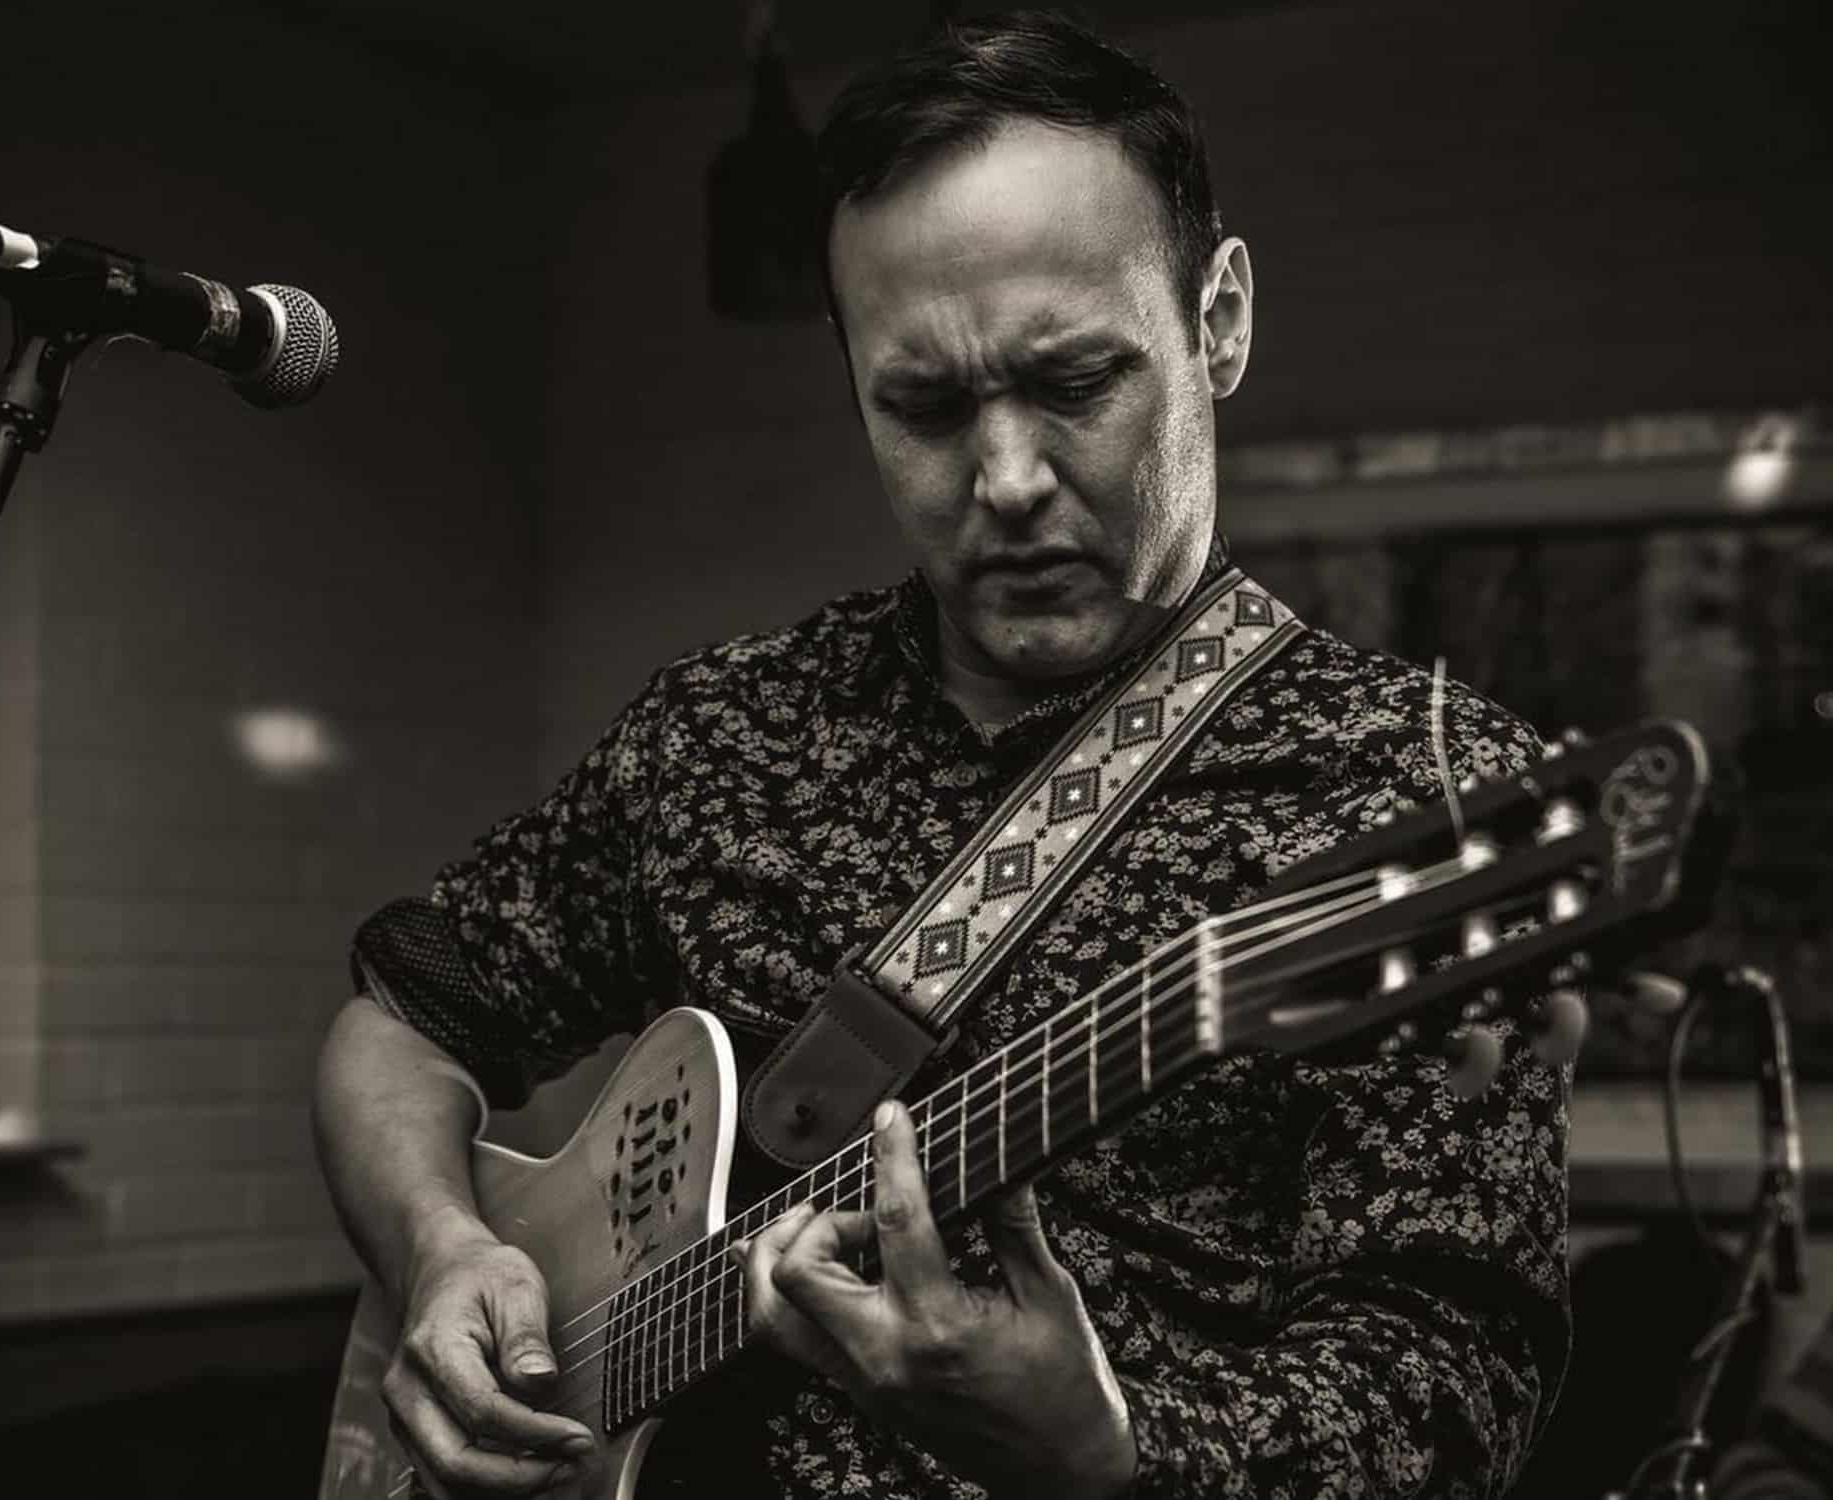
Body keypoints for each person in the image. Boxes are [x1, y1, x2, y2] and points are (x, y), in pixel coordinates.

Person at [313, 12, 1571, 1498]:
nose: (1007, 479)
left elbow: (1449, 1378)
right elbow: (404, 1020)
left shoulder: (1422, 795)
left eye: (1076, 382)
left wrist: (1108, 1457)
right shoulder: (728, 729)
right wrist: (443, 1247)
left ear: (1219, 321)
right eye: (923, 406)